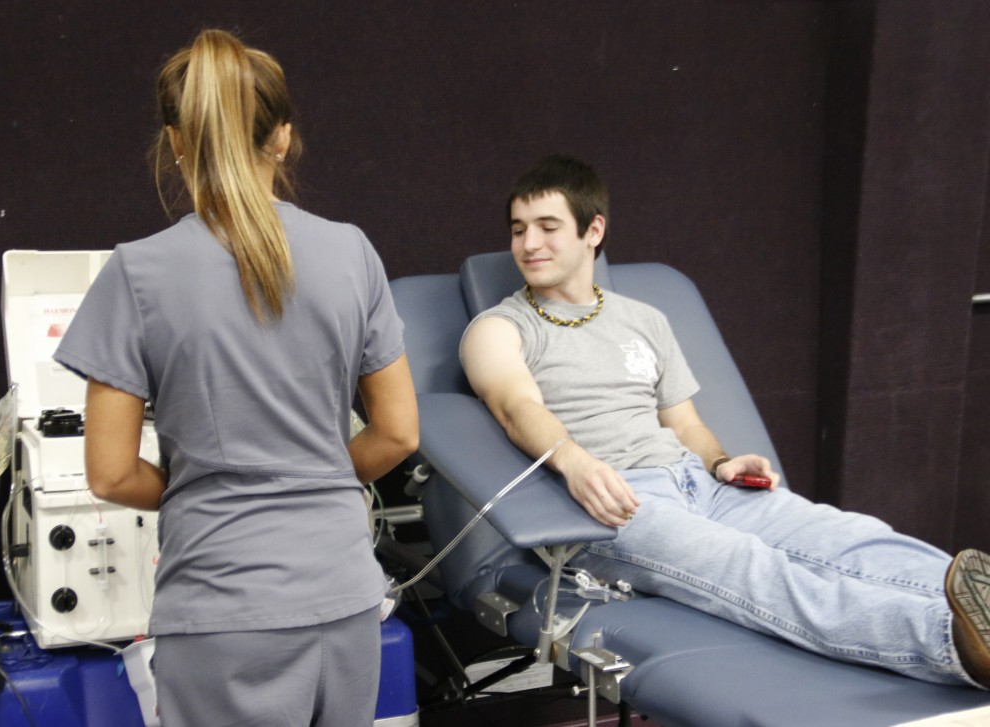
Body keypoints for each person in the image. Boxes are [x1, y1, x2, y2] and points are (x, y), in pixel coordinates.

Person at [460, 153, 990, 688]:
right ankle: (950, 645)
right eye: (519, 229)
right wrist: (576, 465)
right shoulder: (500, 327)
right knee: (754, 568)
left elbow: (685, 424)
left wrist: (720, 461)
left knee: (851, 536)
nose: (528, 245)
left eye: (548, 228)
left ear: (593, 230)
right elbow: (515, 407)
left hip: (700, 485)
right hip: (609, 505)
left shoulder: (644, 320)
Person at [53, 30, 419, 726]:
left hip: (222, 613)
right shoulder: (352, 252)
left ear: (177, 142)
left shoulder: (136, 271)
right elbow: (398, 432)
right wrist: (309, 470)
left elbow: (108, 473)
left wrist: (202, 485)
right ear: (282, 137)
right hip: (344, 601)